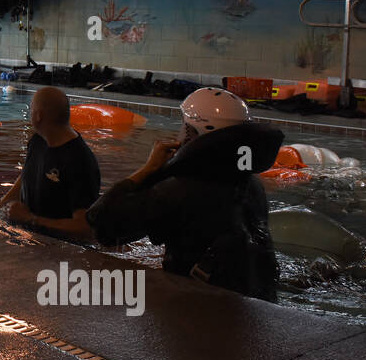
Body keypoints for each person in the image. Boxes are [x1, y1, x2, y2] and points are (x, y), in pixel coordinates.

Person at [86, 87, 282, 302]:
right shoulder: (252, 184)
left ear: (190, 134)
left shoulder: (179, 190)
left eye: (182, 126)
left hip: (206, 309)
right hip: (258, 302)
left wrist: (149, 170)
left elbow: (101, 223)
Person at [0, 86, 100, 240]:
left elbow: (85, 229)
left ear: (38, 116)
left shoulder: (79, 160)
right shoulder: (38, 140)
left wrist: (29, 219)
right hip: (32, 234)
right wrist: (1, 204)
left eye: (31, 110)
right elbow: (27, 174)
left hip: (61, 248)